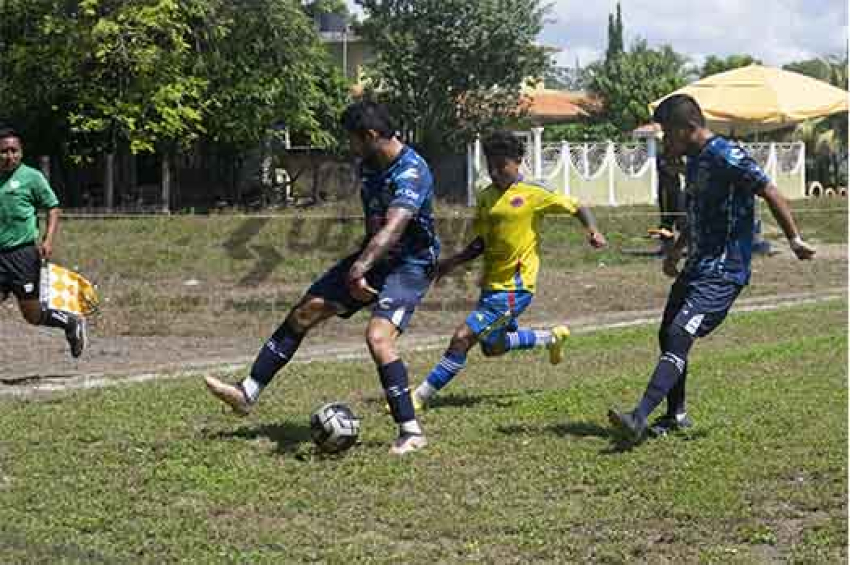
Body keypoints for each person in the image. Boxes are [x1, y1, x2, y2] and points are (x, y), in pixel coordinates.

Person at [204, 101, 440, 455]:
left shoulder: (412, 171)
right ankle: (246, 392)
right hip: (374, 256)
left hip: (410, 264)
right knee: (306, 311)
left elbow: (394, 229)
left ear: (372, 136)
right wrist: (361, 265)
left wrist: (360, 268)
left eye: (354, 140)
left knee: (378, 338)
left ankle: (411, 431)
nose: (351, 148)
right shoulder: (369, 165)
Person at [608, 94, 816, 441]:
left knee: (679, 334)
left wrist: (794, 239)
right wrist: (675, 251)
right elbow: (697, 213)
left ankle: (639, 416)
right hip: (698, 266)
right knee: (667, 334)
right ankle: (676, 416)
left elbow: (770, 191)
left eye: (668, 133)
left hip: (723, 270)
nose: (665, 140)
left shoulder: (725, 155)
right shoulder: (695, 161)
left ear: (689, 128)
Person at [410, 130, 606, 409]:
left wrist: (592, 229)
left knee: (462, 338)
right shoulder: (486, 196)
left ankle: (418, 398)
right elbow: (482, 242)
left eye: (501, 165)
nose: (495, 171)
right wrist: (450, 263)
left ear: (518, 161)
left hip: (516, 287)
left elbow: (576, 206)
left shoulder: (535, 192)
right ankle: (550, 338)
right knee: (493, 347)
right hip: (492, 285)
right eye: (490, 165)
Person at [0, 128, 87, 357]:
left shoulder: (32, 177)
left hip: (22, 254)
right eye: (4, 151)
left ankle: (69, 323)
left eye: (14, 151)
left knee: (31, 314)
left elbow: (53, 207)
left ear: (21, 152)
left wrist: (48, 240)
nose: (9, 156)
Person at [652, 144, 686, 254]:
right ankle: (666, 247)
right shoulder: (662, 156)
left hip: (677, 190)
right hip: (665, 191)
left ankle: (682, 246)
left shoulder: (677, 155)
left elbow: (683, 169)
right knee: (666, 219)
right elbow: (669, 170)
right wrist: (677, 167)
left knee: (682, 217)